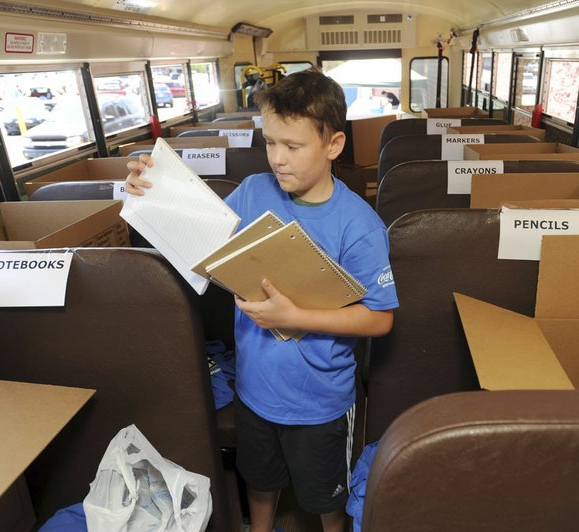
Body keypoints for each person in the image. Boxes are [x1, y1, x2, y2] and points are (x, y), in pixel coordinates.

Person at [125, 69, 398, 532]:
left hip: (321, 402)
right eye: (269, 143)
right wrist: (153, 190)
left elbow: (379, 320)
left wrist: (296, 316)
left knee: (326, 499)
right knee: (259, 481)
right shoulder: (253, 192)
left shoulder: (359, 225)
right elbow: (205, 241)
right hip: (253, 391)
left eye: (292, 147)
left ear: (333, 145)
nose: (277, 159)